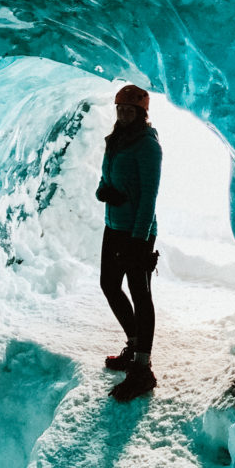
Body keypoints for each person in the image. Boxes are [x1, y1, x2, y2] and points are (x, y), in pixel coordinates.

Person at [96, 84, 162, 402]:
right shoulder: (116, 141)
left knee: (139, 293)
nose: (123, 114)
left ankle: (142, 369)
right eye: (120, 108)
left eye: (129, 110)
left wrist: (139, 240)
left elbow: (149, 196)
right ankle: (133, 345)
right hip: (114, 227)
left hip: (138, 232)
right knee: (109, 285)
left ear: (141, 113)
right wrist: (103, 189)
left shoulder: (148, 146)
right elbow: (106, 175)